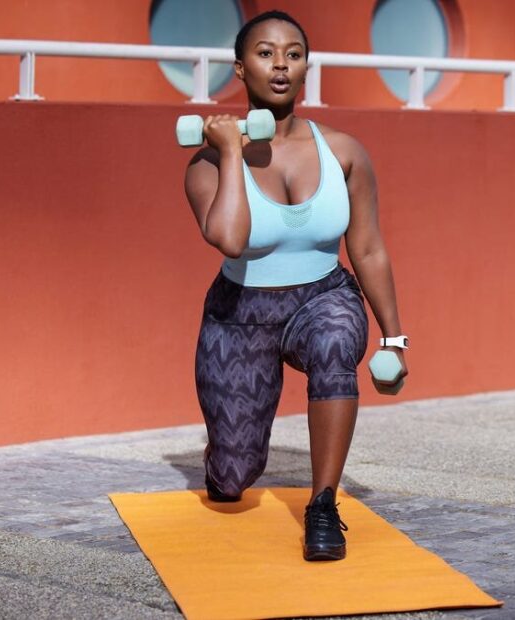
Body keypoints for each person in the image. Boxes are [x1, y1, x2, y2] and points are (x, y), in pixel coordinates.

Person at [184, 10, 408, 562]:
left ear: (307, 66)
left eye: (293, 53)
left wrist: (394, 339)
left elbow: (368, 248)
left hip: (322, 296)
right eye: (265, 53)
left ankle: (323, 505)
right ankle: (226, 459)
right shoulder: (207, 162)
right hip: (240, 313)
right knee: (232, 476)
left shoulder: (344, 152)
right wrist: (232, 151)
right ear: (241, 68)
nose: (280, 65)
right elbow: (230, 239)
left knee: (335, 341)